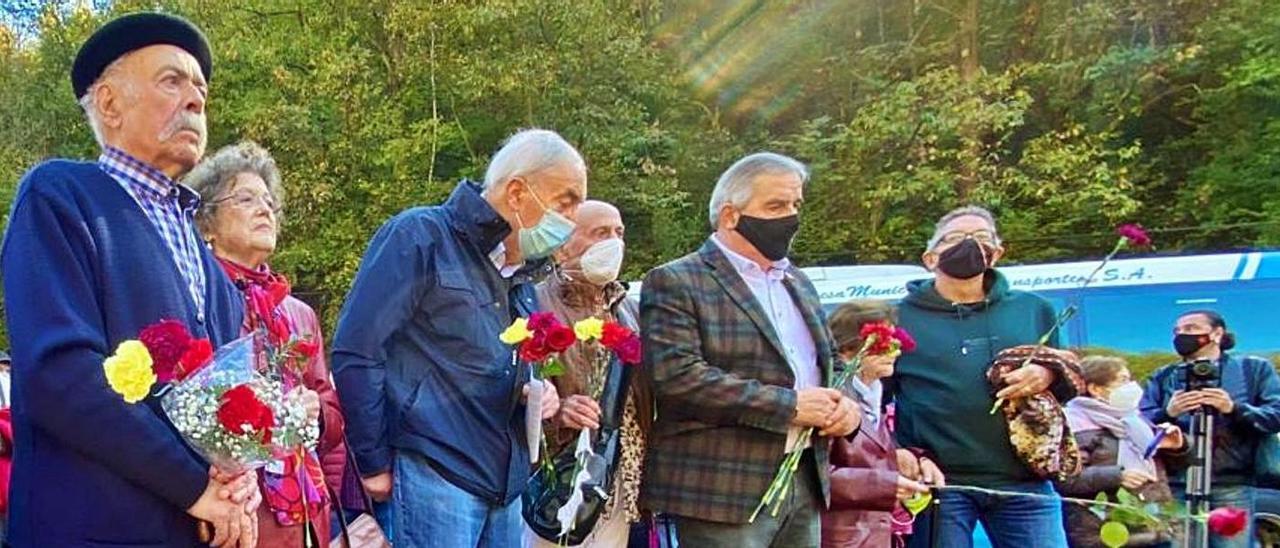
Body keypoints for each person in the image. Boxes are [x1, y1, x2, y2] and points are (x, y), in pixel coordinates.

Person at [0, 12, 258, 546]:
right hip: (89, 529)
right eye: (172, 80)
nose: (195, 101)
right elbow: (59, 373)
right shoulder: (60, 196)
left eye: (201, 91)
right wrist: (193, 486)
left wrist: (238, 482)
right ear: (110, 104)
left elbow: (229, 405)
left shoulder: (212, 269)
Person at [331, 128, 580, 546]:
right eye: (566, 202)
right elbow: (358, 350)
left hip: (504, 484)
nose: (571, 220)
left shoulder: (522, 281)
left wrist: (535, 391)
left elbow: (496, 365)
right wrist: (371, 462)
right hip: (435, 471)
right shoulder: (420, 236)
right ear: (517, 193)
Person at [640, 152, 860, 547]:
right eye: (775, 206)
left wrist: (847, 408)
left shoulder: (798, 281)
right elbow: (677, 376)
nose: (790, 217)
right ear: (730, 216)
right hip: (722, 488)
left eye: (795, 205)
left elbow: (832, 366)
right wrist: (788, 405)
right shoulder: (676, 280)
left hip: (805, 476)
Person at [187, 141, 348, 545]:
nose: (264, 209)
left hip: (307, 512)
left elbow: (331, 417)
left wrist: (315, 413)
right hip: (233, 511)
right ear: (206, 223)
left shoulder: (298, 314)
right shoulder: (194, 300)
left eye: (268, 201)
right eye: (245, 198)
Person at [892, 205, 1076, 547]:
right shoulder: (897, 317)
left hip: (1025, 478)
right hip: (941, 482)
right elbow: (874, 397)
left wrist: (1046, 372)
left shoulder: (1035, 309)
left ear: (997, 252)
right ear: (930, 258)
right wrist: (900, 453)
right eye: (955, 238)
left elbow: (1067, 373)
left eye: (981, 238)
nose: (969, 245)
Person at [525, 199, 650, 547]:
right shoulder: (534, 304)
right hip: (561, 476)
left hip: (620, 477)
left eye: (619, 232)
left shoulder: (631, 310)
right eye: (600, 233)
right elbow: (514, 390)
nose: (614, 242)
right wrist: (558, 412)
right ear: (563, 246)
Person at [1140, 310, 1280, 547]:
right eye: (1178, 331)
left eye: (1191, 329)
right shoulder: (1164, 376)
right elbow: (1139, 425)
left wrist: (1233, 408)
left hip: (1231, 483)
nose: (1182, 335)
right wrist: (1168, 413)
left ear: (1217, 333)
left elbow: (1274, 416)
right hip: (1177, 483)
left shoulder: (1253, 370)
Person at [822, 300, 939, 548]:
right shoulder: (829, 397)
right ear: (846, 349)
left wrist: (913, 460)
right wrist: (885, 484)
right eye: (884, 344)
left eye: (896, 342)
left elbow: (871, 453)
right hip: (838, 537)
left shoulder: (876, 392)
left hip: (875, 535)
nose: (895, 352)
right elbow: (813, 474)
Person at [1059, 356, 1185, 547]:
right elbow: (1064, 479)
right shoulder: (1073, 425)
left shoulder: (1135, 421)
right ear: (1096, 389)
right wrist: (1117, 476)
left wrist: (1179, 447)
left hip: (1152, 526)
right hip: (1104, 531)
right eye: (1122, 380)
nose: (1131, 386)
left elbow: (1161, 469)